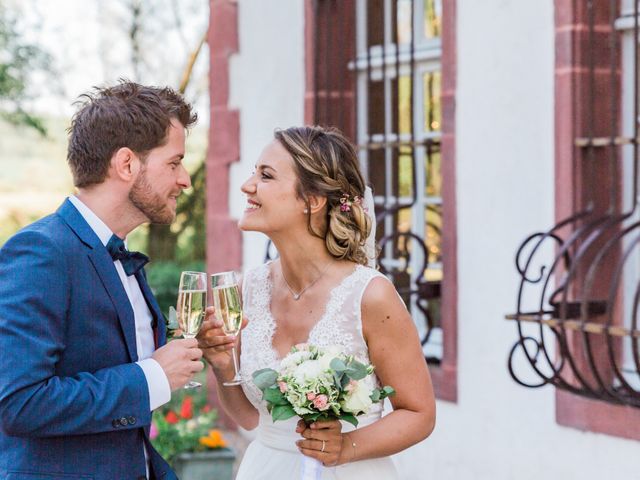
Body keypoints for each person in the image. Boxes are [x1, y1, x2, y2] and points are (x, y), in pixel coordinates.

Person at [199, 125, 436, 479]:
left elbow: (419, 414)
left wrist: (346, 446)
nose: (248, 186)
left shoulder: (370, 295)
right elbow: (249, 416)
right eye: (253, 173)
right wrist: (223, 367)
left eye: (266, 175)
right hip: (265, 468)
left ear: (312, 200)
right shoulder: (251, 287)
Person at [0, 81, 204, 480]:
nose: (185, 181)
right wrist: (153, 377)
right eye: (174, 162)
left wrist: (187, 349)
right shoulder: (42, 252)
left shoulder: (120, 252)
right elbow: (18, 403)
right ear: (127, 164)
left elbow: (110, 360)